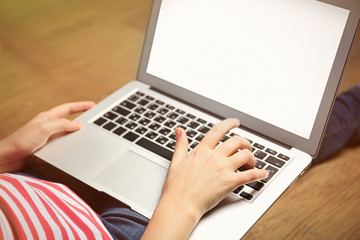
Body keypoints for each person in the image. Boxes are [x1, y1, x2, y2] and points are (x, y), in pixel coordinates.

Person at [0, 84, 359, 239]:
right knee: (253, 145)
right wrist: (182, 204)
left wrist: (6, 151)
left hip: (33, 186)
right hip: (119, 234)